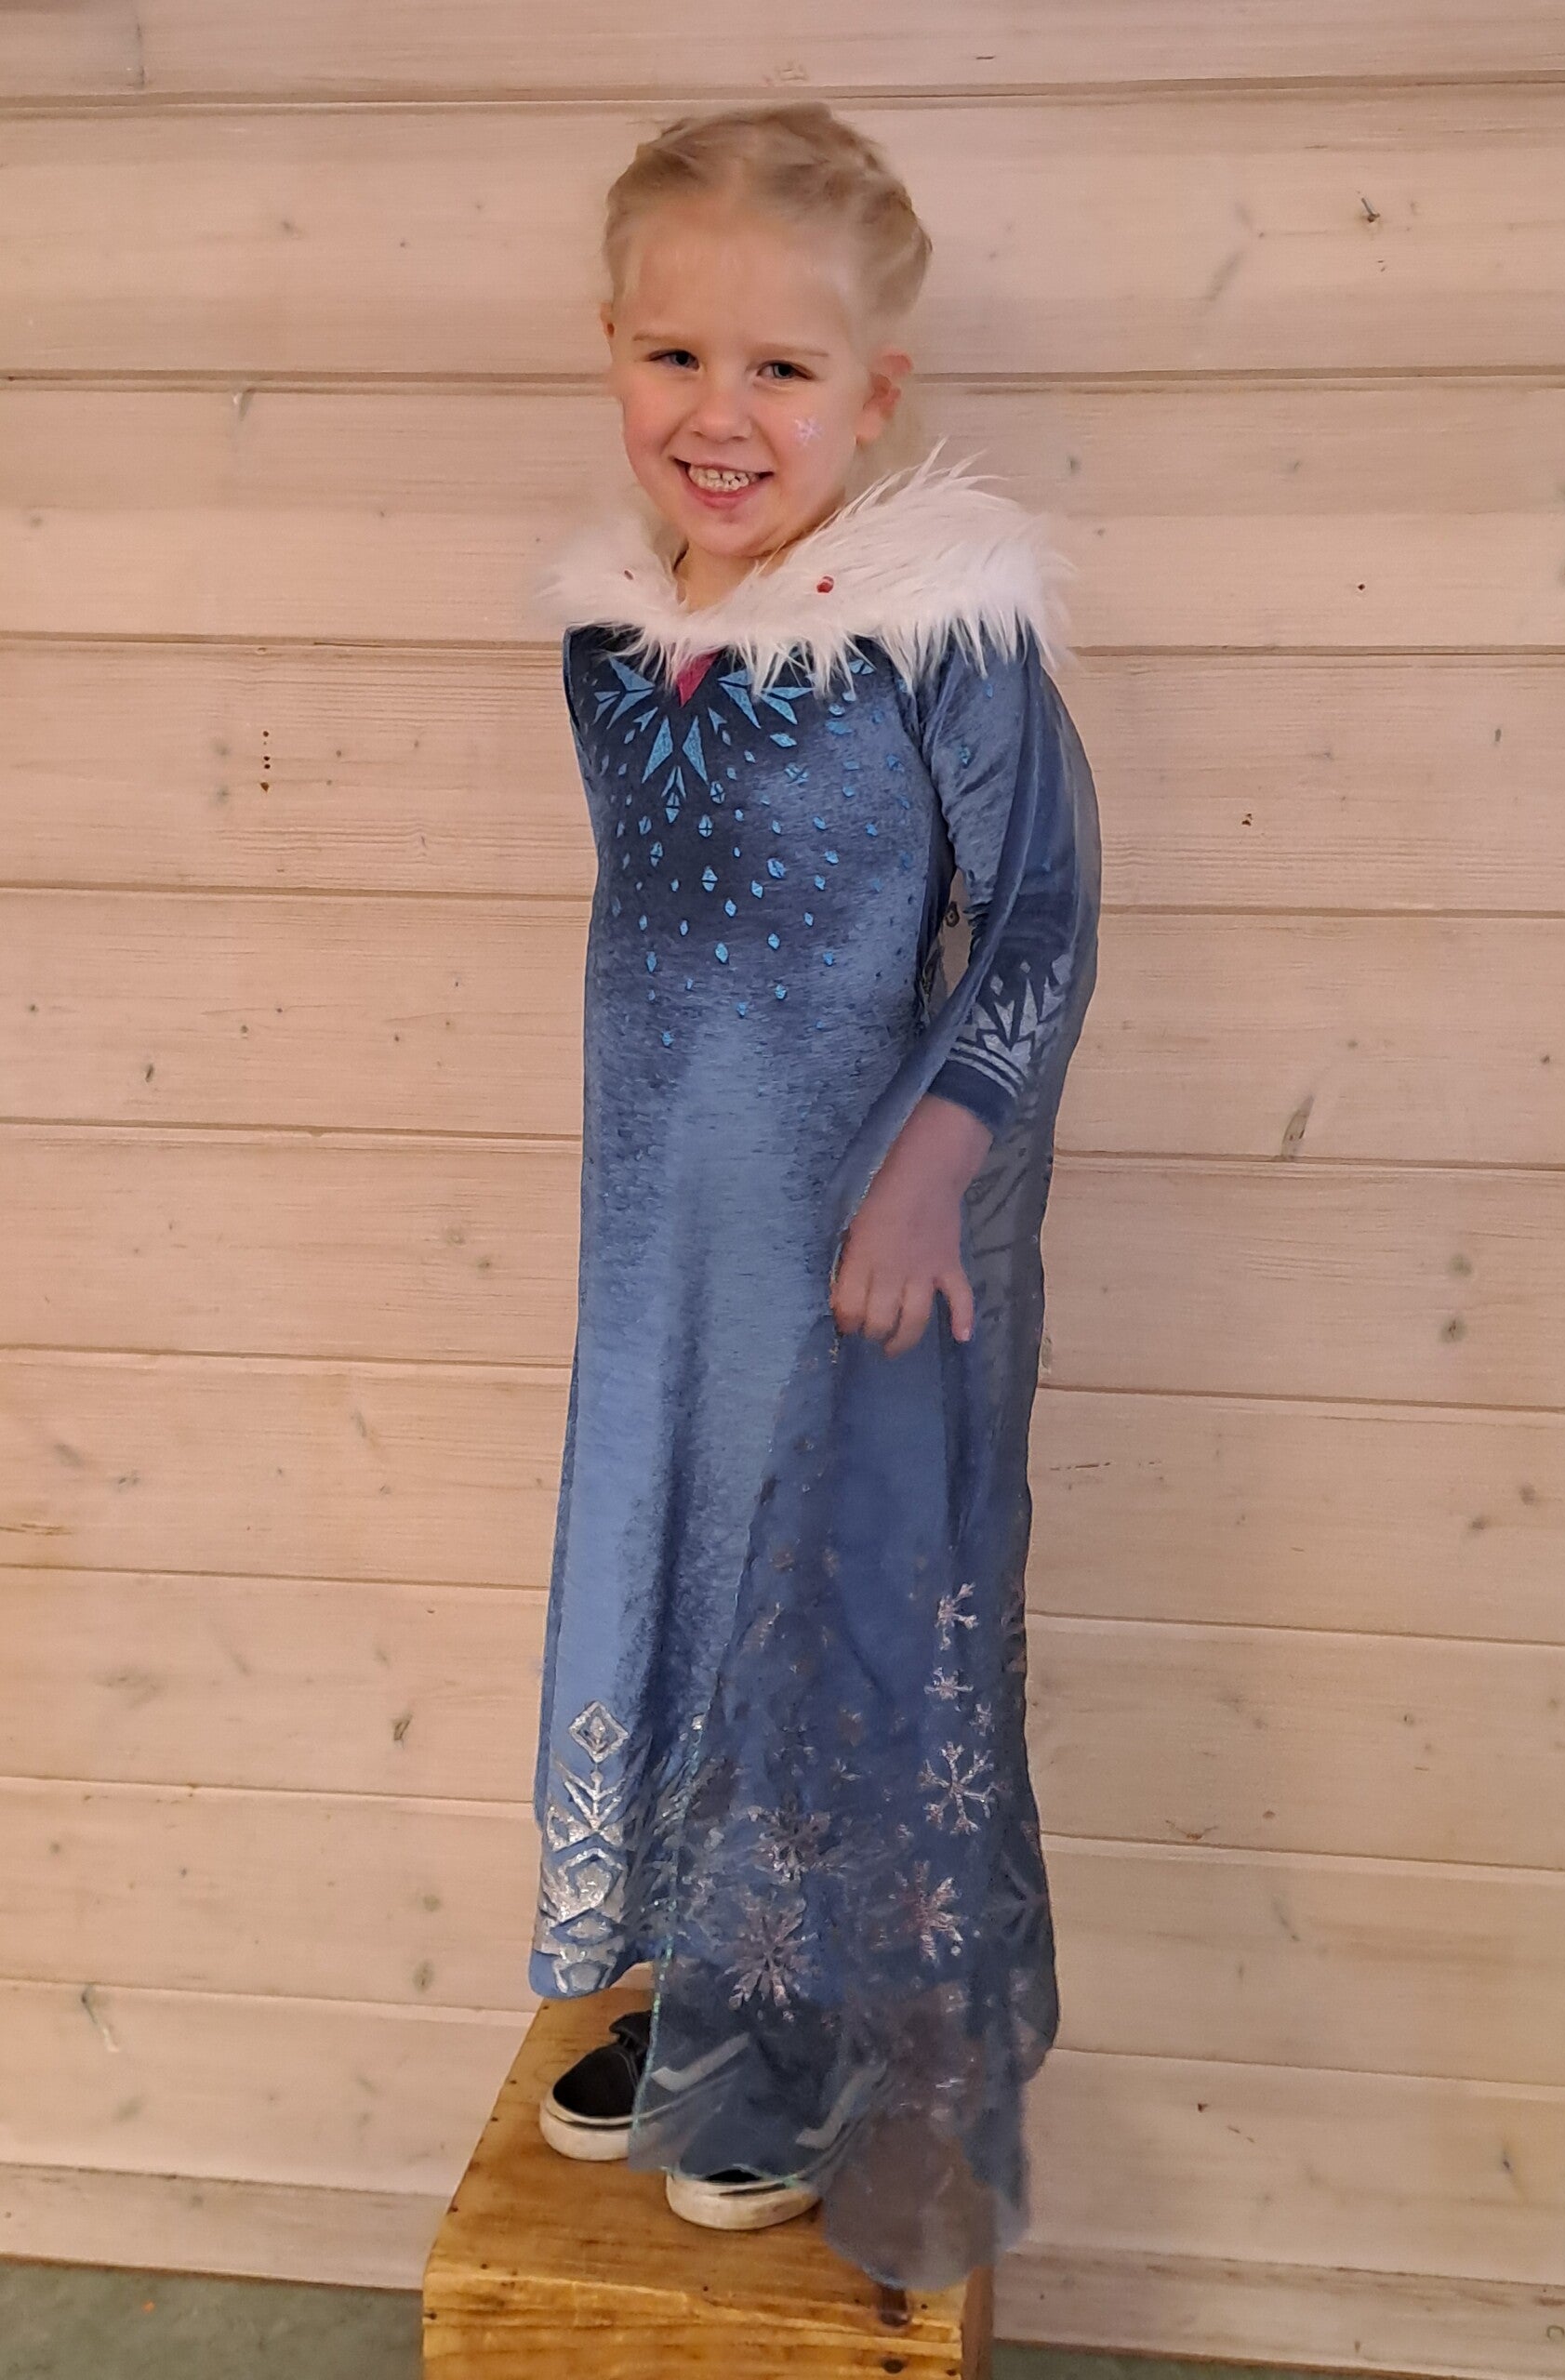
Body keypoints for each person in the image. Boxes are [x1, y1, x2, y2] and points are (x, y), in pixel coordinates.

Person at [524, 98, 1101, 2293]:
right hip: (659, 1239)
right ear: (610, 353)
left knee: (816, 1596)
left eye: (782, 367)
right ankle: (708, 1986)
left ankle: (806, 2033)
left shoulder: (936, 632)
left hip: (852, 1244)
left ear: (876, 394)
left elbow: (1037, 919)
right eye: (675, 355)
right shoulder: (612, 637)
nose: (722, 411)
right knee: (678, 1572)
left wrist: (934, 1174)